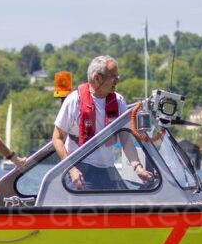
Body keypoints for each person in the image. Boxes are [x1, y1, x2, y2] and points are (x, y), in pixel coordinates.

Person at [51, 55, 153, 190]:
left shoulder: (118, 101)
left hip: (108, 169)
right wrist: (71, 169)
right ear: (97, 78)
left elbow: (125, 138)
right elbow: (57, 138)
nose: (117, 80)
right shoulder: (74, 100)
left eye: (117, 76)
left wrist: (138, 167)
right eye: (113, 76)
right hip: (80, 169)